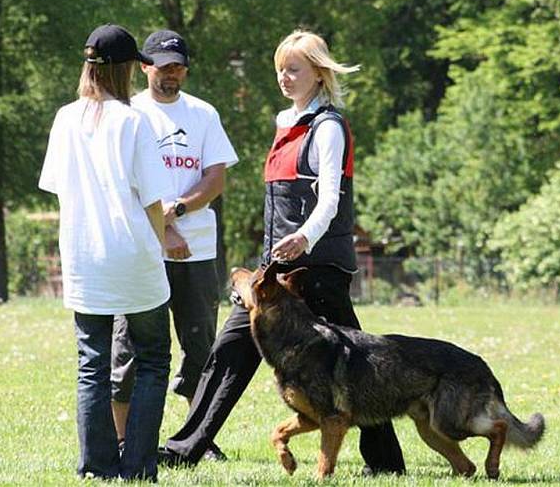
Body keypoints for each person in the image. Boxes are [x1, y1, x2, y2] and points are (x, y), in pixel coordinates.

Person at [158, 30, 406, 475]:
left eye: (294, 69)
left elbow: (330, 199)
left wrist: (305, 239)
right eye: (280, 69)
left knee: (360, 366)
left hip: (318, 267)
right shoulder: (284, 123)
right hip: (277, 270)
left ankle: (387, 463)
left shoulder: (327, 127)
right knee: (230, 349)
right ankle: (184, 450)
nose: (284, 77)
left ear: (319, 73)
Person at [38, 24, 172, 481]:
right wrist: (163, 242)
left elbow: (58, 190)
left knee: (91, 363)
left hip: (83, 257)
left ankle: (97, 466)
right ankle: (136, 465)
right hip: (133, 255)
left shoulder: (64, 118)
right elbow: (152, 199)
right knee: (153, 359)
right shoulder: (134, 121)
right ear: (127, 69)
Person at [109, 30, 238, 460]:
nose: (171, 75)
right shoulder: (128, 113)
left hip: (197, 251)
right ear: (145, 67)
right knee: (130, 346)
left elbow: (215, 178)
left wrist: (176, 212)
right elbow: (123, 182)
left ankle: (197, 439)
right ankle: (124, 438)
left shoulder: (203, 114)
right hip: (143, 250)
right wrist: (161, 230)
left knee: (201, 346)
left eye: (178, 67)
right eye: (163, 67)